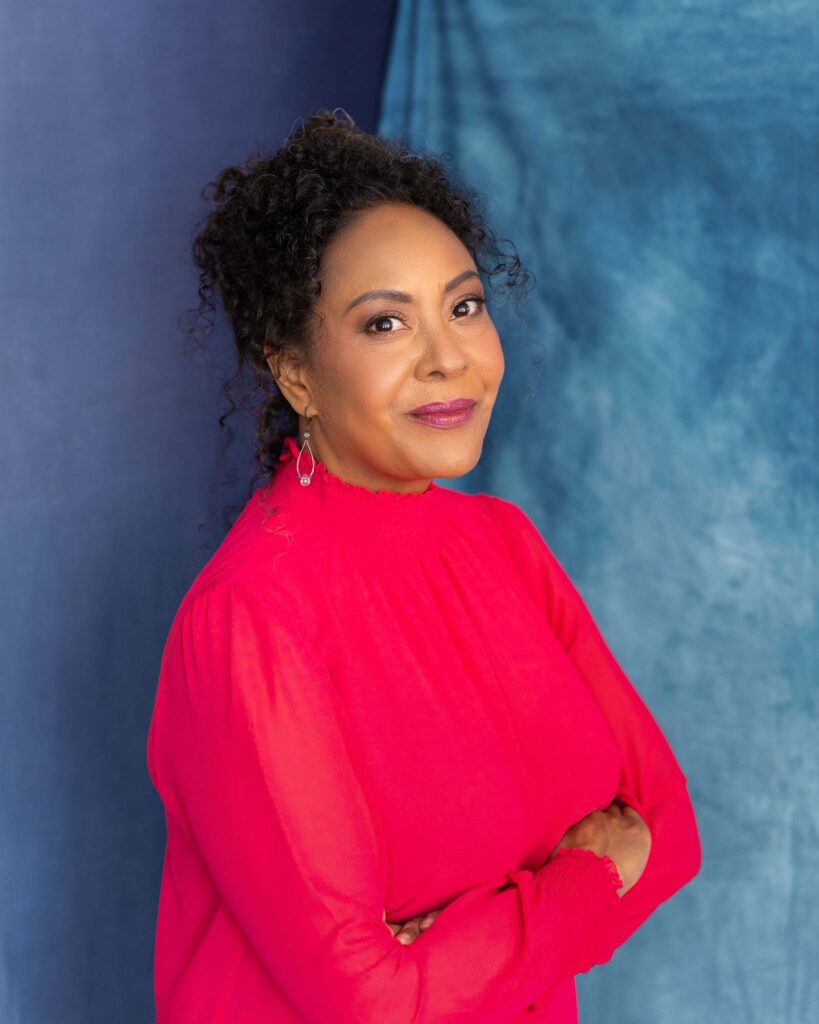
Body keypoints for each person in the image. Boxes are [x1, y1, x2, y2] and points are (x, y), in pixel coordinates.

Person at [146, 107, 702, 1023]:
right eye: (384, 325)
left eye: (463, 305)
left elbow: (670, 835)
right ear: (293, 374)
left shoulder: (503, 546)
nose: (448, 358)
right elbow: (373, 1003)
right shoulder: (252, 619)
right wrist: (589, 872)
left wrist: (454, 940)